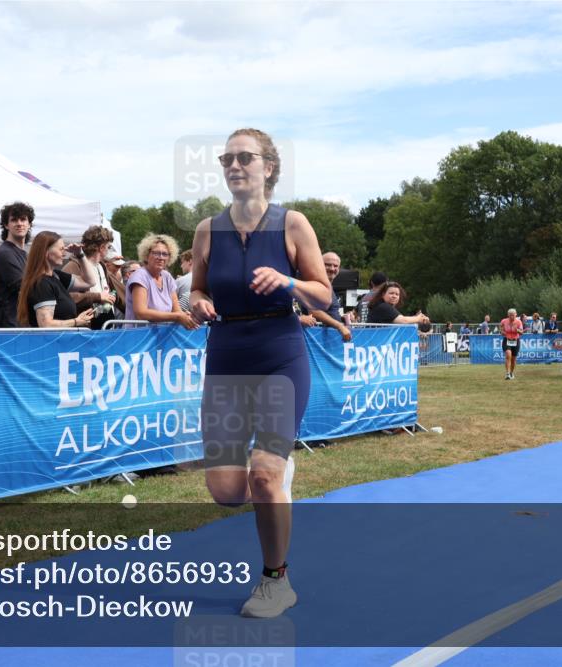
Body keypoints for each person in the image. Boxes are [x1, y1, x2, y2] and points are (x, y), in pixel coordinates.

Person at [189, 128, 333, 619]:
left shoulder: (292, 224)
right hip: (226, 354)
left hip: (279, 352)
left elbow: (324, 294)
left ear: (268, 167)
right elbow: (197, 291)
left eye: (244, 157)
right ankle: (275, 470)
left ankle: (276, 581)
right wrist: (200, 301)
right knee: (227, 493)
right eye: (226, 158)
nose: (234, 165)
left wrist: (289, 281)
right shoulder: (208, 229)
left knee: (264, 478)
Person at [17, 231, 94, 328]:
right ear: (46, 252)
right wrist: (76, 321)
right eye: (61, 249)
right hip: (52, 342)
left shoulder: (56, 276)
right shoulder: (41, 284)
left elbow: (90, 282)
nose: (64, 253)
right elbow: (46, 325)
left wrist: (80, 255)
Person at [125, 234, 198, 330]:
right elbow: (141, 313)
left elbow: (176, 310)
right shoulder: (139, 276)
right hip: (139, 337)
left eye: (165, 254)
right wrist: (177, 317)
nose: (161, 257)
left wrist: (185, 316)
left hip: (161, 336)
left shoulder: (167, 277)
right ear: (147, 255)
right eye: (156, 253)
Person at [61, 225, 118, 329]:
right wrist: (97, 297)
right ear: (101, 248)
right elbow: (66, 297)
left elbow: (119, 291)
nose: (109, 251)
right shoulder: (73, 266)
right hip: (86, 329)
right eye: (108, 247)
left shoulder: (101, 266)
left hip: (105, 326)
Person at [0, 201, 34, 327]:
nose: (19, 223)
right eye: (14, 220)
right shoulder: (4, 253)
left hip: (23, 322)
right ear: (6, 225)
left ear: (29, 224)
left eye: (23, 219)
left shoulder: (25, 254)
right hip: (12, 325)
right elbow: (24, 287)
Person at [298, 251, 350, 341]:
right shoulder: (315, 283)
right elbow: (314, 311)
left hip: (329, 342)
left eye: (335, 266)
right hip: (315, 342)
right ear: (319, 264)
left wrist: (342, 319)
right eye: (328, 265)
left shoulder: (328, 287)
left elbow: (329, 312)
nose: (332, 268)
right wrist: (339, 326)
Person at [365, 282, 430, 326]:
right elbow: (403, 320)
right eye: (391, 293)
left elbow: (400, 320)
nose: (394, 296)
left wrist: (415, 318)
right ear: (383, 294)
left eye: (397, 294)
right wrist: (419, 318)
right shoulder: (384, 307)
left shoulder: (383, 305)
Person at [499, 308, 524, 380]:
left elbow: (521, 333)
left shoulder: (519, 322)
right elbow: (500, 328)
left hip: (516, 341)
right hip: (507, 340)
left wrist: (517, 330)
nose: (512, 317)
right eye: (510, 315)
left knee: (513, 359)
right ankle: (507, 374)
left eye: (513, 315)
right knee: (508, 355)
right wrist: (501, 332)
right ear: (508, 315)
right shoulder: (504, 321)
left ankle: (511, 373)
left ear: (516, 315)